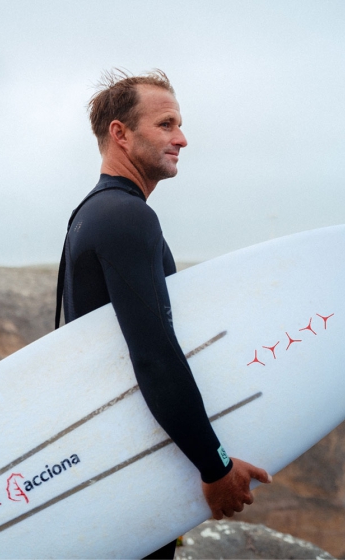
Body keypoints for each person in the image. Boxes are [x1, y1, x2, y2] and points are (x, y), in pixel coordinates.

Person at [54, 69, 271, 559]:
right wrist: (214, 466)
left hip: (118, 458)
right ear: (120, 133)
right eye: (167, 124)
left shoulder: (93, 212)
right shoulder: (127, 217)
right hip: (130, 467)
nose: (183, 138)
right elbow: (153, 355)